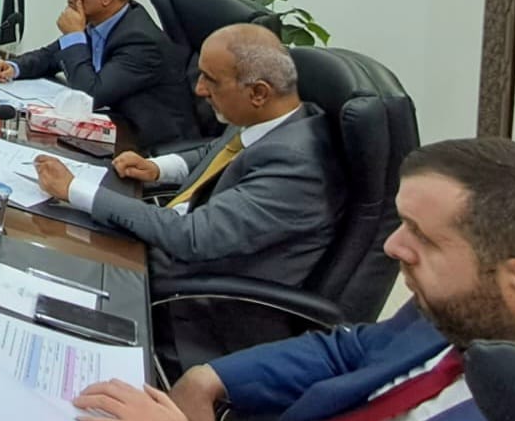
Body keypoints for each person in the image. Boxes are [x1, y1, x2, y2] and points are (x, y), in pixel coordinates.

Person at [73, 137, 515, 421]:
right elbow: (353, 351)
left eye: (423, 237)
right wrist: (210, 378)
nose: (392, 247)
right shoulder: (469, 309)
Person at [33, 24, 338, 365]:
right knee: (51, 251)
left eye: (211, 80)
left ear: (258, 92)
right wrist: (158, 168)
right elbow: (217, 150)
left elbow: (192, 236)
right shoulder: (273, 118)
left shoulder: (296, 166)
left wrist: (74, 189)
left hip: (197, 307)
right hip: (171, 258)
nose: (199, 89)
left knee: (48, 282)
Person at [0, 0, 196, 149]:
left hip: (151, 146)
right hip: (110, 129)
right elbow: (50, 56)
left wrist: (74, 36)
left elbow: (88, 95)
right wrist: (14, 67)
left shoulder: (141, 41)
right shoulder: (100, 21)